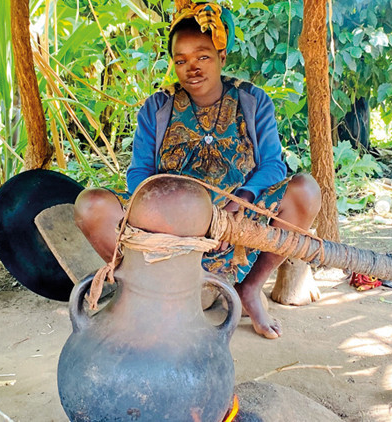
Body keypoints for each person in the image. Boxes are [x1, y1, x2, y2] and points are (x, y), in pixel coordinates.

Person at [73, 1, 321, 339]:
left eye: (203, 56)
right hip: (169, 230)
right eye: (181, 60)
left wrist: (241, 200)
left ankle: (248, 289)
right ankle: (145, 289)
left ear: (222, 56)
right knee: (91, 206)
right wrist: (166, 217)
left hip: (236, 221)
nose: (192, 68)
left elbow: (273, 165)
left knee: (305, 191)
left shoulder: (252, 101)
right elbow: (139, 173)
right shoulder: (157, 107)